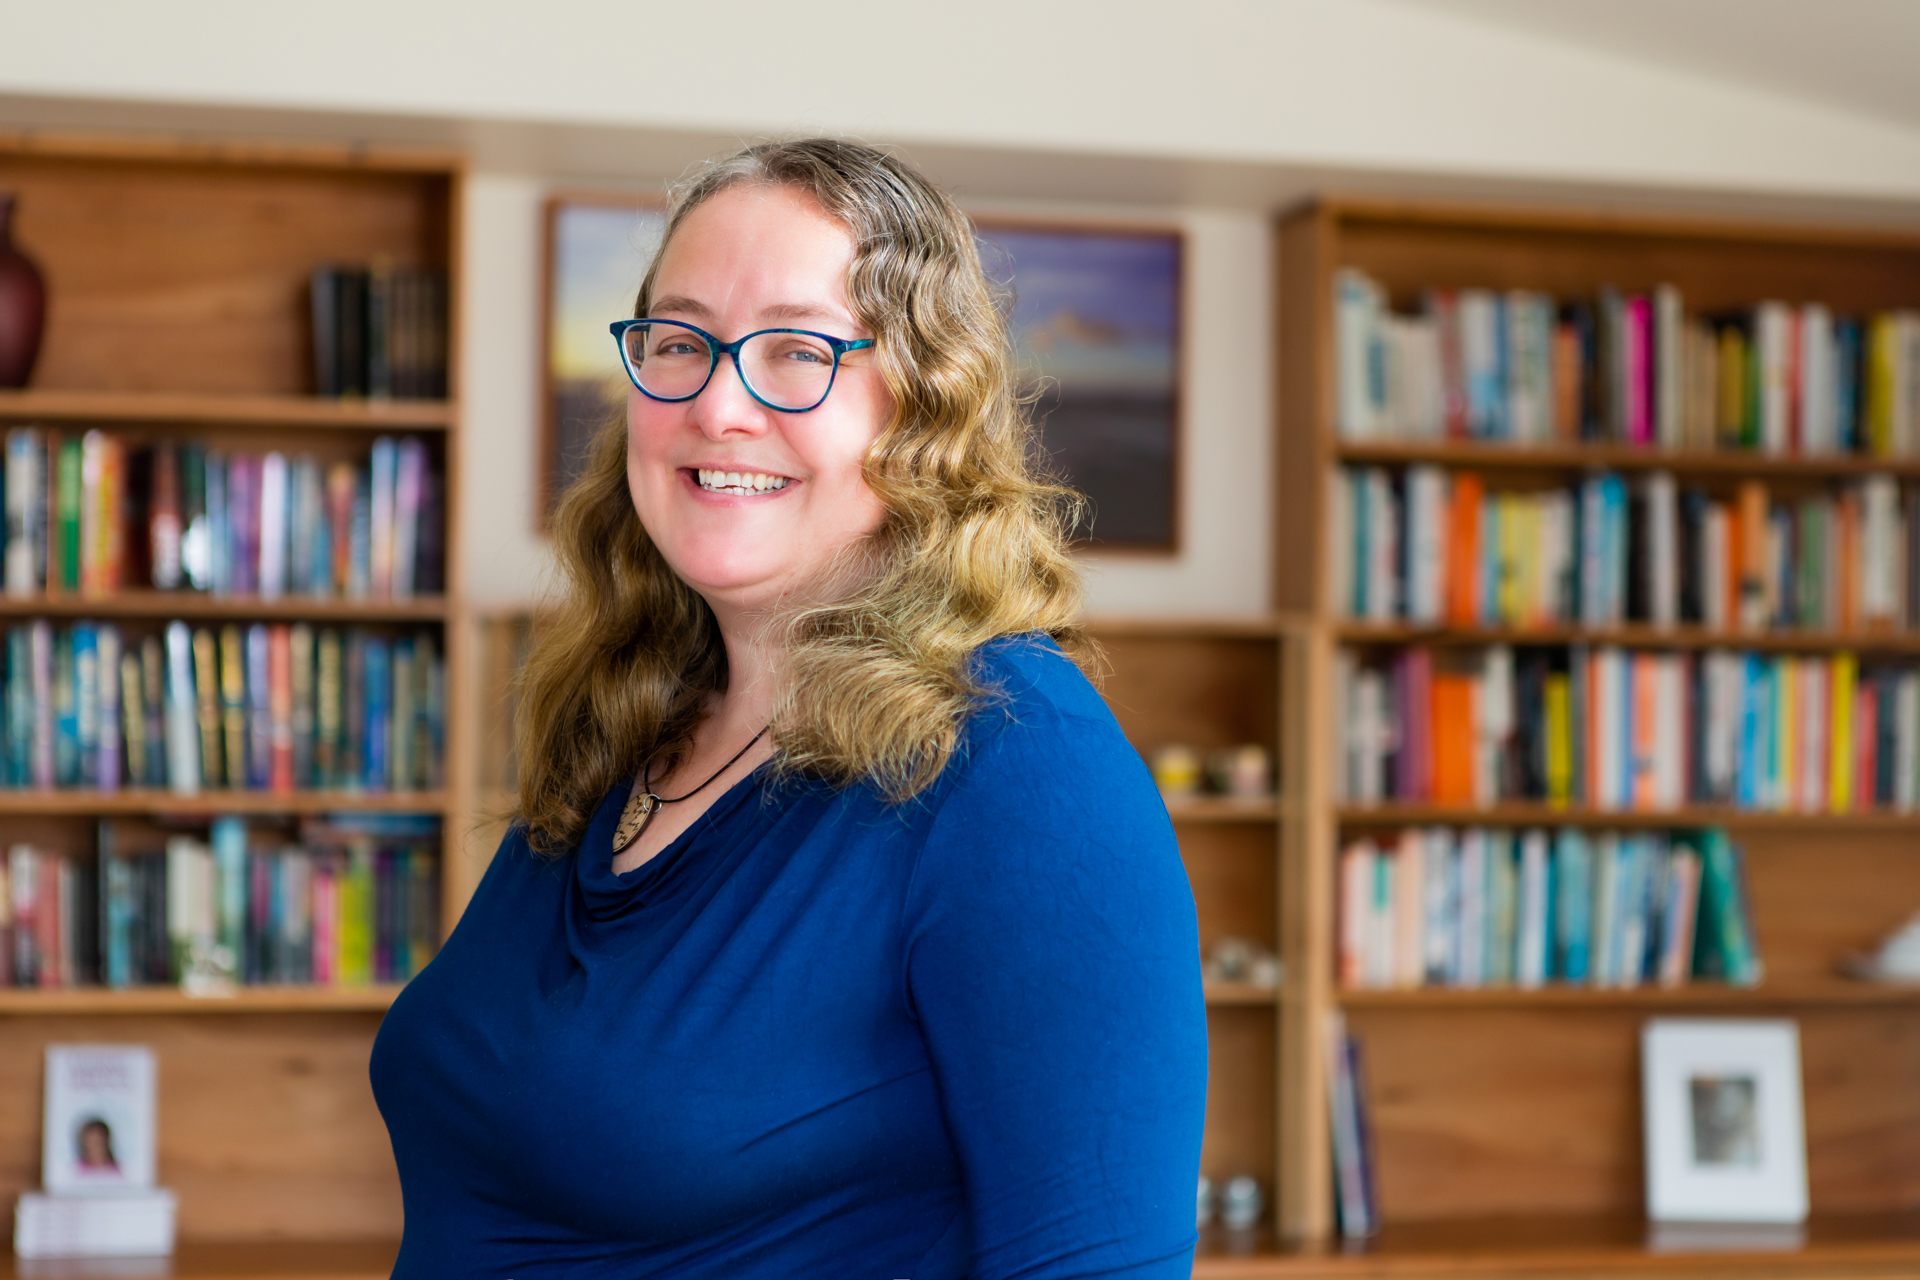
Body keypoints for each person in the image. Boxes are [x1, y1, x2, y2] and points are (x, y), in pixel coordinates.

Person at [371, 138, 1206, 1279]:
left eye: (794, 350)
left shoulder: (1019, 763)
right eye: (681, 340)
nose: (719, 403)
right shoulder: (634, 718)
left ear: (922, 406)